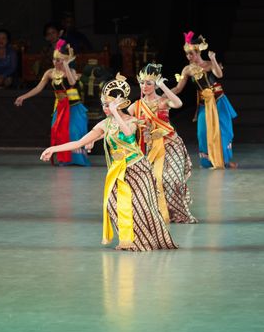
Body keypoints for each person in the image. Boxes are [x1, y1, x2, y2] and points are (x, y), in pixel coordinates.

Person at [40, 74, 178, 251]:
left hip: (137, 168)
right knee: (113, 204)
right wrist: (53, 149)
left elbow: (128, 133)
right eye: (104, 105)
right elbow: (79, 142)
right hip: (118, 170)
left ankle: (145, 240)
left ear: (120, 104)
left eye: (109, 105)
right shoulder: (104, 124)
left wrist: (115, 113)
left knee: (142, 207)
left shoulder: (131, 120)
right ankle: (127, 240)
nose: (105, 108)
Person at [128, 63, 196, 224]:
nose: (145, 86)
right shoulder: (135, 106)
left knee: (172, 180)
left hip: (171, 145)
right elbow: (123, 123)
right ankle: (158, 212)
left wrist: (162, 86)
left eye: (149, 83)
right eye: (143, 82)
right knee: (155, 179)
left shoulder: (163, 102)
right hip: (151, 148)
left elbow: (178, 104)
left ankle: (178, 213)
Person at [15, 39, 90, 166]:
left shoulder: (70, 72)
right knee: (58, 131)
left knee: (73, 131)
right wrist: (23, 97)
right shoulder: (50, 73)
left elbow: (72, 82)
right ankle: (63, 159)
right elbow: (38, 88)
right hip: (60, 107)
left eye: (59, 60)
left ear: (65, 60)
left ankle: (77, 160)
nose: (56, 62)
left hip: (74, 107)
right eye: (54, 59)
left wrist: (66, 65)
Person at [171, 31, 237, 169]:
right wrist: (163, 94)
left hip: (219, 100)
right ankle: (208, 161)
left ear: (198, 52)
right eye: (187, 54)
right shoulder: (187, 70)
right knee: (202, 132)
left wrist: (213, 59)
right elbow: (178, 88)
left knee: (223, 130)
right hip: (204, 103)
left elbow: (219, 74)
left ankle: (224, 160)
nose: (189, 56)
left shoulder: (209, 64)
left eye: (192, 54)